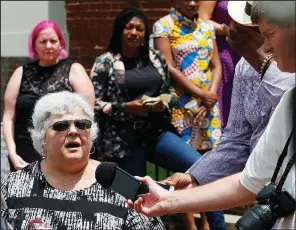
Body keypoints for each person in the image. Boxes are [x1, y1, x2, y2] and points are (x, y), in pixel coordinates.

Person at [127, 1, 296, 229]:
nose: (265, 47)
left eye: (268, 33)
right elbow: (240, 149)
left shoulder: (263, 65)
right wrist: (192, 178)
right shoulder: (245, 68)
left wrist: (260, 62)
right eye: (258, 32)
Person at [0, 91, 165, 230]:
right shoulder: (14, 184)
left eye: (82, 124)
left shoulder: (118, 181)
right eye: (61, 126)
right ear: (42, 137)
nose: (73, 131)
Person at [152, 1, 225, 229]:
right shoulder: (164, 25)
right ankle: (189, 223)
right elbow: (168, 67)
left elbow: (216, 66)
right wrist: (200, 94)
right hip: (183, 105)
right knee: (188, 167)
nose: (193, 3)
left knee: (209, 166)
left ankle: (206, 222)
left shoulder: (206, 27)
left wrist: (211, 94)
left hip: (208, 106)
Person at [2, 20, 95, 172]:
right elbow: (8, 117)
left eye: (53, 41)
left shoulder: (74, 70)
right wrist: (12, 153)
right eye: (43, 41)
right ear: (34, 45)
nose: (49, 46)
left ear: (61, 43)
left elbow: (88, 117)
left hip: (62, 153)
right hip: (23, 154)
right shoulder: (21, 72)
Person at [199, 0, 241, 127]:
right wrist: (230, 32)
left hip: (254, 47)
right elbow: (203, 20)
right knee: (227, 99)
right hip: (226, 51)